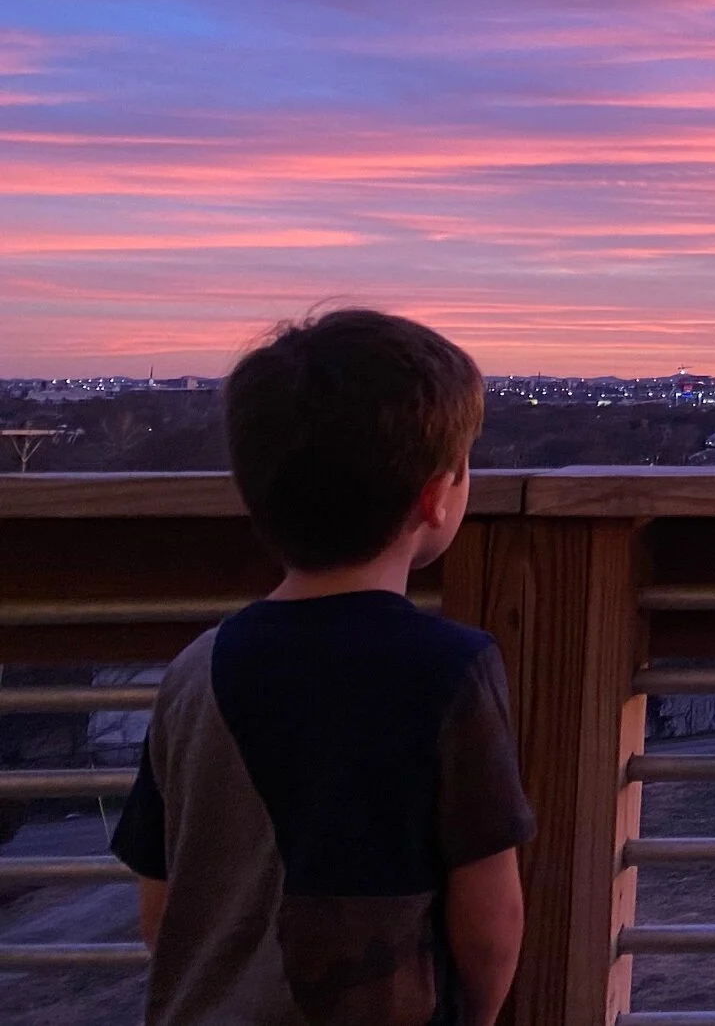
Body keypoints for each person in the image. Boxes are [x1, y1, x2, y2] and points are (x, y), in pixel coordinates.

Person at [112, 309, 533, 1026]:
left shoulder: (195, 670)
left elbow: (162, 908)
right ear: (434, 498)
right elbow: (490, 918)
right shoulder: (450, 669)